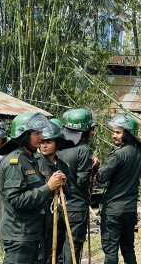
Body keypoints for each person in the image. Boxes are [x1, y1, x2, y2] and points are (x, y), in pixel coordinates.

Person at [0, 112, 66, 264]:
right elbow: (16, 200)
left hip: (33, 234)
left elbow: (38, 192)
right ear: (23, 134)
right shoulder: (14, 162)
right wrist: (48, 187)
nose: (42, 138)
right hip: (19, 236)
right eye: (37, 134)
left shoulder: (32, 160)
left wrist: (56, 183)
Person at [96, 114, 141, 264]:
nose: (114, 136)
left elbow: (101, 177)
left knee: (111, 250)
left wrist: (97, 168)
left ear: (128, 133)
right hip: (130, 209)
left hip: (113, 210)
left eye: (118, 132)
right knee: (128, 248)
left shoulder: (118, 155)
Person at [58, 108, 97, 264]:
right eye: (91, 128)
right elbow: (82, 181)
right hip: (76, 207)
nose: (93, 131)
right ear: (84, 130)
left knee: (59, 247)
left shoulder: (58, 148)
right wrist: (92, 169)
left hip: (59, 206)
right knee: (73, 248)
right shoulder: (83, 150)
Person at [36, 121, 71, 264]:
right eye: (42, 142)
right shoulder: (36, 162)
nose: (44, 145)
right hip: (40, 217)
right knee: (41, 255)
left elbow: (69, 193)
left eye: (49, 142)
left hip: (58, 216)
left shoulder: (63, 165)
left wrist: (64, 183)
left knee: (56, 253)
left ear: (57, 144)